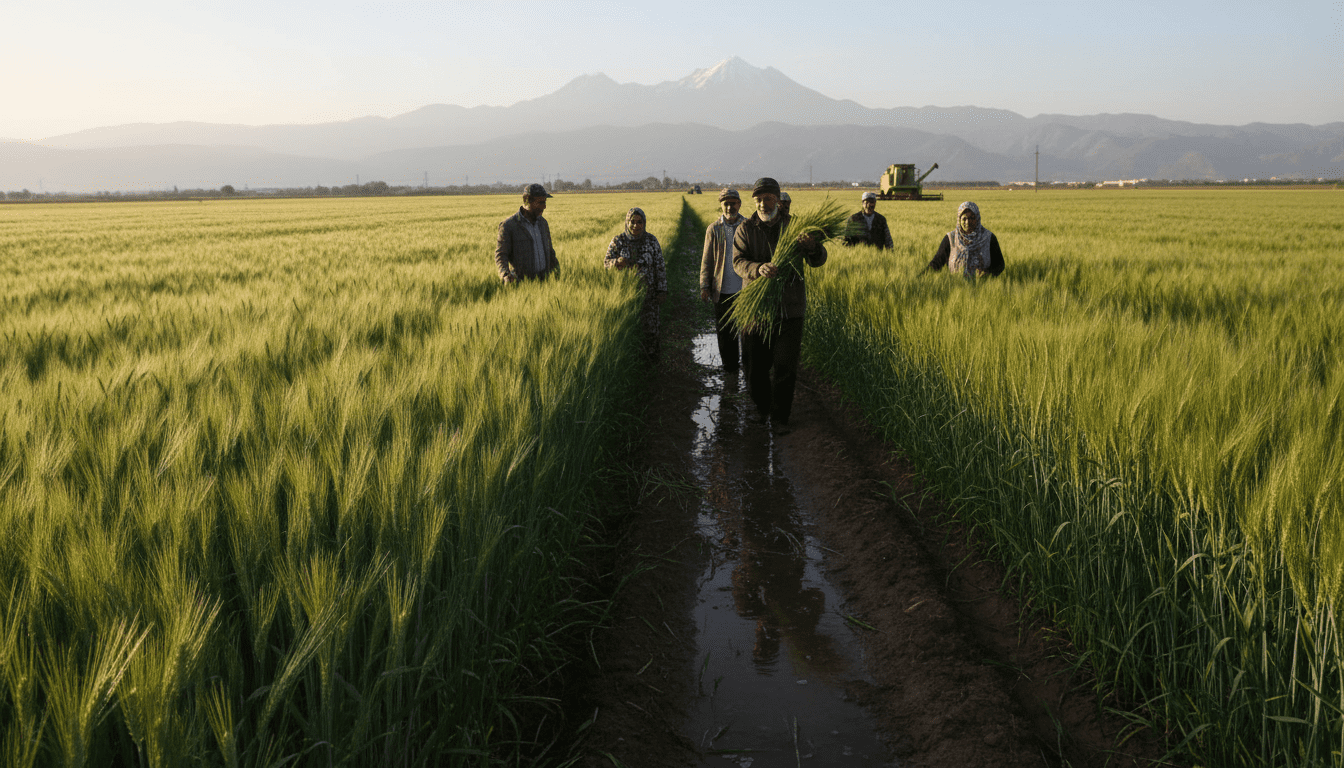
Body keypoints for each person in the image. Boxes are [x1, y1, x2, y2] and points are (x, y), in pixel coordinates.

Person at [732, 177, 827, 434]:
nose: (763, 204)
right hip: (756, 309)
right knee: (754, 365)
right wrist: (757, 268)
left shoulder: (796, 227)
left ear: (777, 200)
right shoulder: (745, 228)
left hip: (790, 307)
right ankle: (761, 409)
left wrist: (813, 247)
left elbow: (818, 260)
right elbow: (738, 261)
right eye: (758, 199)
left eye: (768, 198)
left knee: (785, 366)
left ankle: (780, 417)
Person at [605, 207, 668, 357]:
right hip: (624, 297)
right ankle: (632, 360)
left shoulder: (651, 241)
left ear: (644, 223)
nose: (635, 225)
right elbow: (606, 264)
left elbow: (659, 266)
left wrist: (662, 290)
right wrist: (616, 262)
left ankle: (651, 361)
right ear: (626, 222)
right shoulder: (618, 241)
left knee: (651, 331)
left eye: (639, 222)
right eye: (632, 222)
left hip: (649, 297)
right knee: (629, 331)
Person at [700, 188, 749, 374]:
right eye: (726, 204)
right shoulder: (714, 229)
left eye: (733, 203)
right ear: (721, 205)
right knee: (725, 331)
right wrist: (705, 286)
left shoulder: (748, 226)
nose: (729, 207)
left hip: (745, 290)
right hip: (722, 290)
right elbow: (707, 260)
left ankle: (748, 366)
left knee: (747, 331)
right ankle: (730, 369)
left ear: (739, 204)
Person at [495, 183, 560, 283]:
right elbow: (501, 254)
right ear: (527, 201)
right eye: (540, 202)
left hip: (545, 282)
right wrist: (505, 275)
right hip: (521, 284)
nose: (544, 206)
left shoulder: (543, 223)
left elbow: (549, 251)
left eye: (545, 202)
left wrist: (556, 270)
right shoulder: (509, 226)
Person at [924, 201, 1004, 278]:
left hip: (983, 284)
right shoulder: (951, 238)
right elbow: (937, 262)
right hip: (956, 284)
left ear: (977, 218)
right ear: (959, 220)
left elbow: (1000, 264)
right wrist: (921, 278)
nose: (968, 222)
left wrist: (988, 273)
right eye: (964, 219)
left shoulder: (989, 238)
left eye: (972, 218)